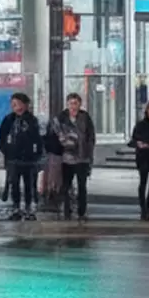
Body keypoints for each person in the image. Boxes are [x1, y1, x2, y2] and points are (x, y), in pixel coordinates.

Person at [0, 92, 43, 221]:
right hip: (13, 159)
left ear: (25, 105)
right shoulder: (8, 119)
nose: (15, 107)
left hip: (29, 159)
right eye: (13, 104)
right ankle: (16, 207)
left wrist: (36, 154)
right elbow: (2, 136)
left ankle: (29, 207)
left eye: (17, 104)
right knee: (14, 184)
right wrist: (6, 150)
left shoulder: (32, 120)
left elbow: (38, 139)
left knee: (29, 184)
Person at [54, 93, 97, 221]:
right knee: (66, 185)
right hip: (66, 158)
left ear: (80, 104)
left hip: (82, 157)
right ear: (67, 104)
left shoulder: (85, 117)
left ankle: (81, 211)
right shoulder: (61, 118)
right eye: (71, 103)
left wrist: (89, 153)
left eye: (76, 103)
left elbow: (91, 136)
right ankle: (67, 209)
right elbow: (56, 135)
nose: (73, 106)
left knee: (82, 185)